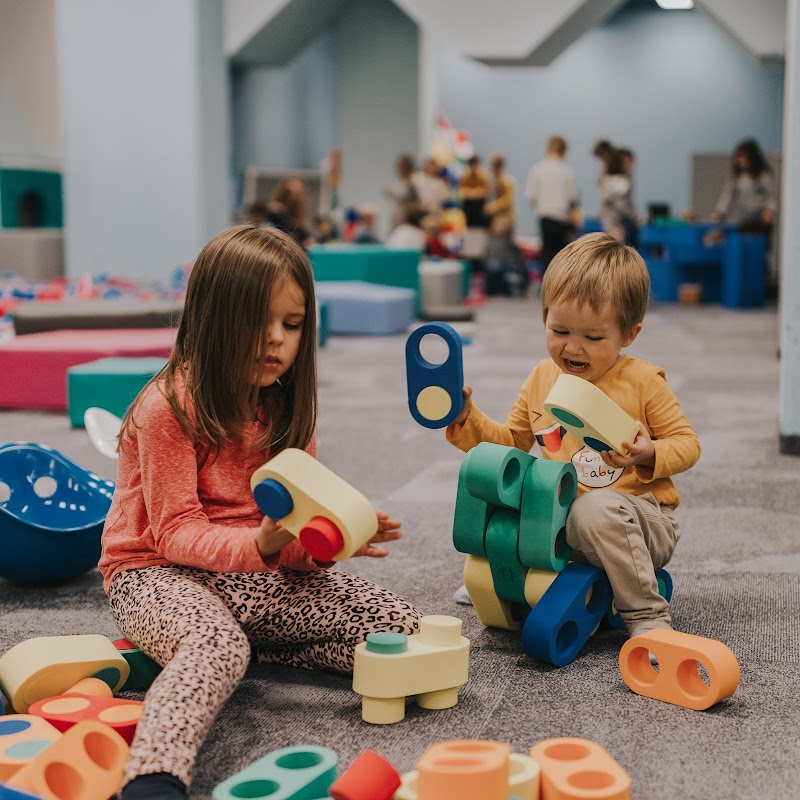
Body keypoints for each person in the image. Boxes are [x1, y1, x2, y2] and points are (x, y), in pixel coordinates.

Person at [99, 225, 421, 799]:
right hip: (152, 572)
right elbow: (173, 533)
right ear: (212, 319)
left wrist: (330, 541)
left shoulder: (285, 407)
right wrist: (263, 547)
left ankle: (255, 644)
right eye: (257, 323)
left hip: (251, 571)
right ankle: (153, 777)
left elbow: (288, 540)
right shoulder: (166, 407)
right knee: (216, 646)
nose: (276, 341)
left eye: (291, 325)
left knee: (402, 633)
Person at [445, 233, 701, 637]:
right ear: (544, 316)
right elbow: (511, 444)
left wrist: (647, 453)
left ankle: (647, 615)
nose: (573, 348)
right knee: (502, 485)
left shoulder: (643, 382)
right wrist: (466, 417)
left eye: (593, 338)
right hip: (556, 522)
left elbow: (688, 445)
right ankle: (506, 576)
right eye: (559, 330)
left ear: (628, 335)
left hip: (638, 519)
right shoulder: (542, 377)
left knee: (594, 511)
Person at [526, 136, 578, 273]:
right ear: (563, 151)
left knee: (547, 252)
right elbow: (572, 197)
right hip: (561, 217)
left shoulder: (538, 169)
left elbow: (531, 196)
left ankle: (546, 284)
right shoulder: (566, 171)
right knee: (561, 253)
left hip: (544, 216)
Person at [711, 138, 776, 234]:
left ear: (752, 158)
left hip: (761, 220)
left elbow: (771, 196)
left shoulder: (764, 175)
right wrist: (719, 211)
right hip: (745, 219)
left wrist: (770, 211)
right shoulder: (737, 177)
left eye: (743, 157)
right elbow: (727, 195)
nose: (740, 160)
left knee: (758, 244)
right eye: (739, 156)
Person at [599, 148, 638, 247]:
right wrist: (635, 218)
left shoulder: (607, 179)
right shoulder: (623, 182)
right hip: (617, 226)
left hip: (607, 223)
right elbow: (622, 206)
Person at [483, 212, 527, 297]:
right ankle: (514, 290)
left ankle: (492, 291)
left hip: (492, 266)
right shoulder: (509, 241)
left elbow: (485, 255)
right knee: (513, 273)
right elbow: (517, 257)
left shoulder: (491, 239)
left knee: (493, 272)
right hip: (508, 266)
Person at [484, 153, 517, 227]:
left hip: (505, 217)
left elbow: (507, 200)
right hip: (498, 216)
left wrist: (493, 206)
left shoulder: (506, 181)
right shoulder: (495, 180)